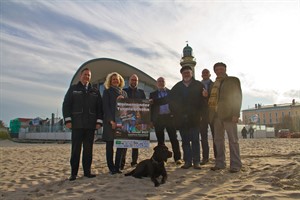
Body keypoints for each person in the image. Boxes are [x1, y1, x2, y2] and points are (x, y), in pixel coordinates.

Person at [62, 68, 103, 181]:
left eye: (89, 75)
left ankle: (87, 172)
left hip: (90, 126)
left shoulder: (95, 91)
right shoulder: (73, 89)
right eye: (85, 75)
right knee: (75, 150)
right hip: (77, 125)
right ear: (81, 76)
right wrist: (68, 120)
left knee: (88, 150)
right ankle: (73, 173)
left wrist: (99, 122)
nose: (87, 77)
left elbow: (99, 108)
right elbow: (66, 105)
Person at [169, 66, 206, 169]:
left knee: (195, 140)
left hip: (195, 118)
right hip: (182, 119)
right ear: (181, 74)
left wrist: (202, 115)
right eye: (184, 72)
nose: (186, 74)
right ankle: (187, 161)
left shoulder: (199, 85)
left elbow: (203, 102)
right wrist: (175, 114)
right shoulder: (177, 87)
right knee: (185, 141)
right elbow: (171, 102)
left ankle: (197, 161)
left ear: (192, 73)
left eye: (188, 72)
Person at [208, 62, 242, 173]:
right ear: (214, 72)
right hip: (216, 116)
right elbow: (210, 99)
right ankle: (220, 163)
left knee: (233, 140)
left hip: (229, 114)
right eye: (217, 70)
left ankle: (236, 165)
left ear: (225, 69)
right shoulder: (213, 84)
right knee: (218, 140)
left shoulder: (233, 80)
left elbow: (237, 96)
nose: (219, 71)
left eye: (221, 69)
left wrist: (236, 114)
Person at [149, 77, 182, 165]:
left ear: (165, 83)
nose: (160, 82)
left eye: (162, 81)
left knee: (174, 139)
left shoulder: (170, 93)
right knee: (160, 141)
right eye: (159, 81)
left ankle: (177, 158)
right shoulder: (152, 94)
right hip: (158, 119)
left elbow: (175, 106)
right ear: (156, 83)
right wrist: (151, 121)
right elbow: (151, 109)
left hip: (169, 118)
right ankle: (162, 159)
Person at [102, 72, 128, 175]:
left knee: (121, 145)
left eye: (117, 79)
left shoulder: (125, 93)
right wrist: (111, 121)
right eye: (113, 79)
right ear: (110, 81)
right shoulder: (107, 92)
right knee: (110, 145)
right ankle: (111, 167)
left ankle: (117, 167)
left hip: (122, 122)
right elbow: (106, 107)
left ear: (120, 80)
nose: (115, 81)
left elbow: (128, 108)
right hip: (110, 123)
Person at [122, 74, 146, 168]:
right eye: (132, 80)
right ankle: (122, 163)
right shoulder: (124, 91)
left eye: (135, 80)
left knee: (135, 143)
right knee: (124, 143)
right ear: (129, 81)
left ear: (137, 81)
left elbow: (144, 107)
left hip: (137, 119)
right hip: (126, 119)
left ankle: (134, 162)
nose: (134, 82)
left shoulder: (141, 92)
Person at [200, 68, 216, 165]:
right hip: (202, 114)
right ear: (201, 75)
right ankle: (205, 157)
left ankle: (217, 157)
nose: (205, 74)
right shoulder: (198, 85)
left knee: (216, 136)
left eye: (207, 73)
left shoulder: (214, 85)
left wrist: (207, 96)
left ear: (210, 75)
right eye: (203, 73)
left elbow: (217, 97)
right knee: (203, 137)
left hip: (213, 113)